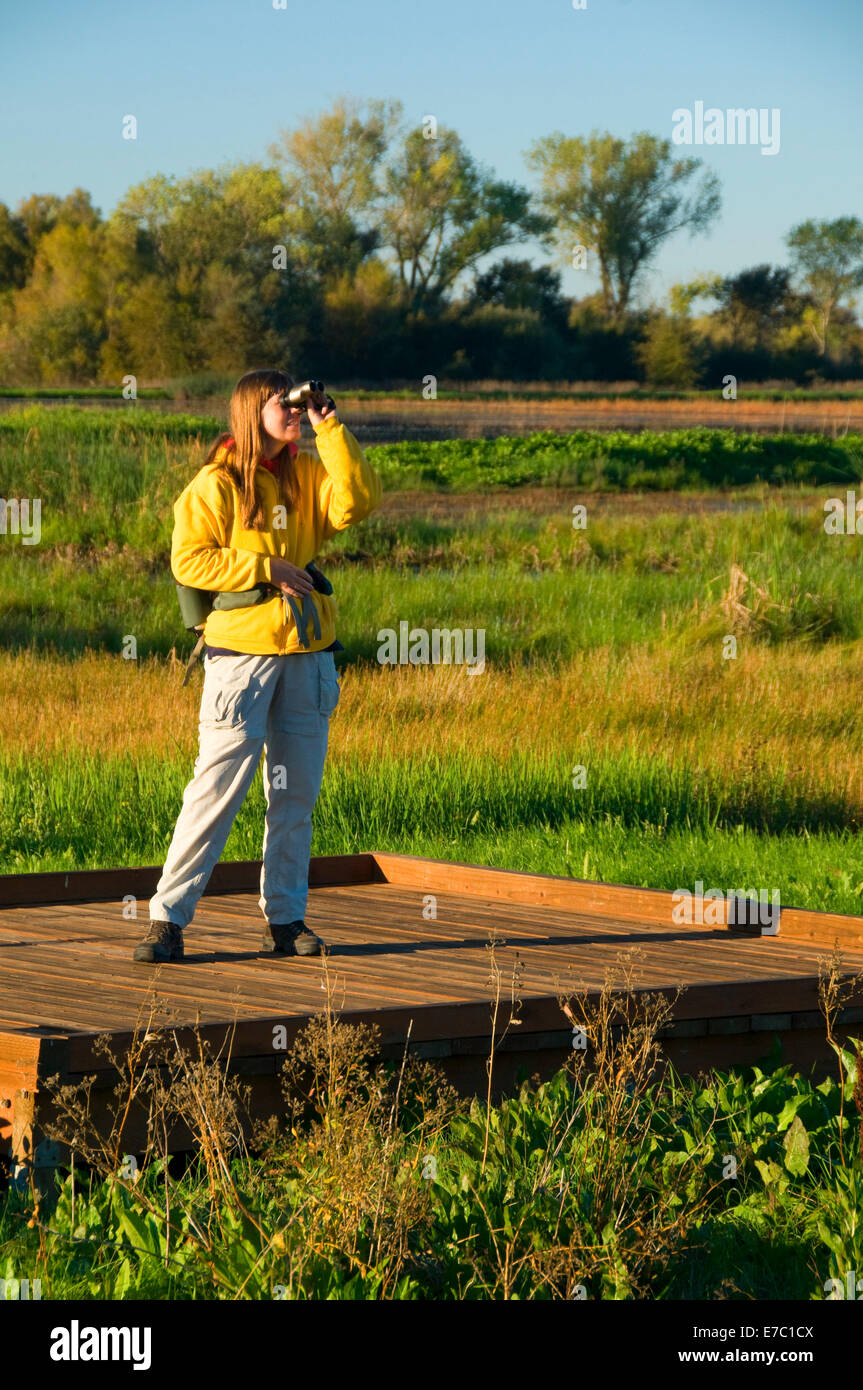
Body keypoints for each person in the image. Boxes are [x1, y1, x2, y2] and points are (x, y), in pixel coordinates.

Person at [134, 368, 382, 964]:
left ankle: (286, 920)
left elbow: (357, 502)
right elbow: (189, 560)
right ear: (250, 409)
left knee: (294, 795)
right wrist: (264, 569)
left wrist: (329, 425)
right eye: (285, 402)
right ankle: (167, 920)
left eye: (299, 402)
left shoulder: (305, 474)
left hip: (305, 653)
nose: (295, 409)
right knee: (215, 790)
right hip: (241, 654)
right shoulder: (216, 482)